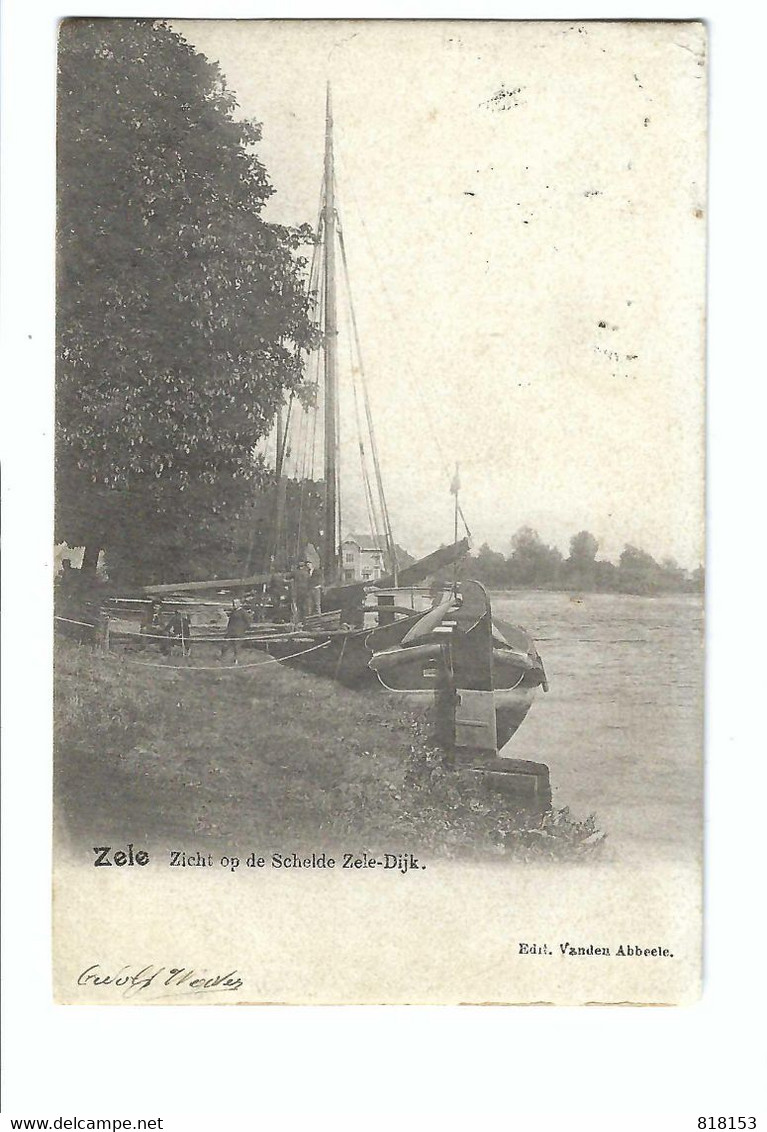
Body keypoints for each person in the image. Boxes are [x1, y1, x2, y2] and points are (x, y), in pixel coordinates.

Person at [221, 598, 251, 664]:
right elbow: (230, 621)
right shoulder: (233, 612)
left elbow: (248, 622)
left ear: (239, 604)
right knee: (225, 644)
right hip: (231, 631)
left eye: (235, 603)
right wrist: (228, 628)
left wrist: (243, 629)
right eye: (233, 603)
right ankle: (222, 658)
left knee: (236, 647)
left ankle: (236, 660)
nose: (234, 605)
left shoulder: (243, 612)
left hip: (238, 632)